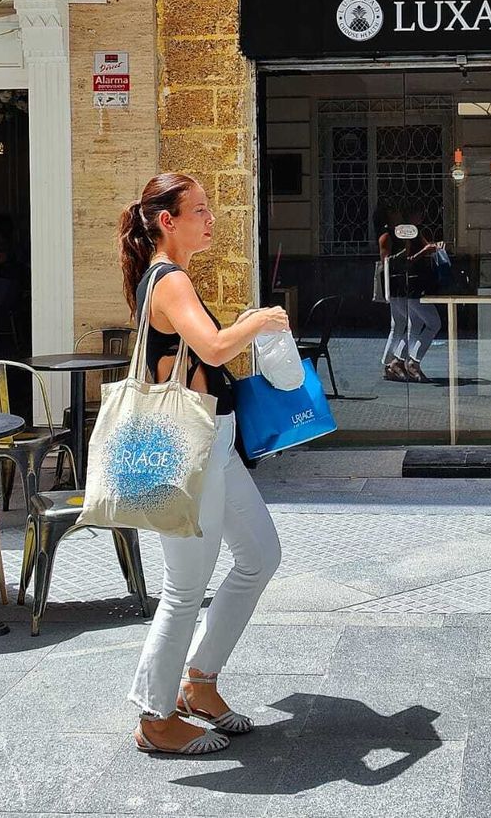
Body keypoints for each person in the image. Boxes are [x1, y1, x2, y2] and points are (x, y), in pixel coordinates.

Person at [117, 172, 290, 755]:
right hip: (187, 447)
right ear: (168, 221)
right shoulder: (168, 281)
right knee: (184, 588)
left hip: (214, 441)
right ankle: (154, 717)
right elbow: (215, 349)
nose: (210, 218)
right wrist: (260, 321)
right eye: (200, 209)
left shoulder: (174, 279)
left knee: (260, 554)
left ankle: (200, 681)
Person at [377, 207, 443, 383]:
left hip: (408, 286)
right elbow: (392, 263)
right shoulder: (390, 237)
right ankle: (405, 361)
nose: (420, 216)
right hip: (404, 287)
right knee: (430, 323)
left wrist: (430, 248)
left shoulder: (410, 234)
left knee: (408, 324)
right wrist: (423, 252)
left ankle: (394, 362)